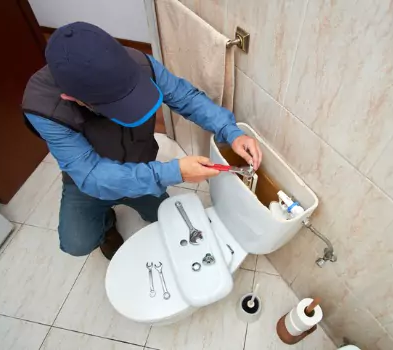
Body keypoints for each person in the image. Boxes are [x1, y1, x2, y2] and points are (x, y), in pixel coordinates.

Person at [22, 22, 262, 260]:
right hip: (88, 181)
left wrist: (230, 130)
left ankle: (140, 195)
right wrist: (172, 172)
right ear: (70, 97)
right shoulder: (44, 109)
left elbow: (185, 97)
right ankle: (105, 225)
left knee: (169, 217)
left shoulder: (137, 63)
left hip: (140, 163)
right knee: (76, 242)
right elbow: (92, 175)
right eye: (114, 104)